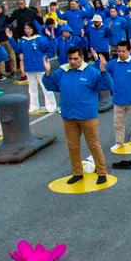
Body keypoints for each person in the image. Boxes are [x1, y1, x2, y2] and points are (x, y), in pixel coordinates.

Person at [43, 47, 112, 185]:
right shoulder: (62, 72)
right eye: (70, 59)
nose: (73, 62)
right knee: (73, 146)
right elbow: (51, 86)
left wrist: (103, 71)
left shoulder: (92, 72)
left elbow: (106, 85)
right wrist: (47, 73)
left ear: (82, 58)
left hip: (87, 115)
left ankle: (102, 172)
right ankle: (77, 172)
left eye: (76, 59)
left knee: (94, 145)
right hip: (69, 115)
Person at [16, 21, 56, 113]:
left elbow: (49, 49)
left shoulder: (40, 39)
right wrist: (10, 39)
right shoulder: (23, 41)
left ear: (33, 29)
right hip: (29, 68)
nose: (28, 31)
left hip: (40, 67)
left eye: (29, 28)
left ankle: (51, 105)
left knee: (45, 87)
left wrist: (45, 59)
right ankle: (34, 106)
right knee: (32, 89)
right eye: (26, 29)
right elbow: (18, 49)